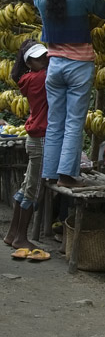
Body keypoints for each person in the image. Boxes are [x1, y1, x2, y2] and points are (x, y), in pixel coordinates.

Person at [34, 0, 105, 188]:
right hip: (79, 67)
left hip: (55, 67)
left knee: (54, 122)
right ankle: (67, 175)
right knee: (73, 122)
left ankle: (50, 172)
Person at [3, 40, 50, 259]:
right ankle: (22, 237)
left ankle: (13, 233)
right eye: (39, 58)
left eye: (45, 57)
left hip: (35, 138)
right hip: (40, 139)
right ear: (29, 62)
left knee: (26, 186)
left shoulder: (29, 78)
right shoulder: (38, 78)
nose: (45, 60)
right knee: (34, 189)